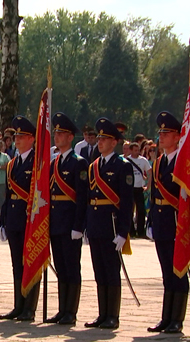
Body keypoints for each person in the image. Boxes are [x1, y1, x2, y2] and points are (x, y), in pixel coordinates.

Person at [83, 118, 133, 330]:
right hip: (96, 225)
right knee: (99, 271)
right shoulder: (94, 166)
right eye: (99, 137)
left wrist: (123, 231)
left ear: (115, 142)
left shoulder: (123, 166)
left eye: (105, 138)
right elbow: (88, 197)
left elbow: (127, 201)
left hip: (112, 226)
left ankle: (113, 315)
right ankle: (102, 313)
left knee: (112, 272)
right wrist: (86, 225)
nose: (100, 141)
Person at [146, 111, 190, 334]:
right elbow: (154, 195)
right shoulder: (159, 163)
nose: (161, 137)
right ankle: (166, 317)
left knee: (178, 272)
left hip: (177, 224)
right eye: (160, 132)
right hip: (162, 223)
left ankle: (177, 319)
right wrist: (151, 221)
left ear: (178, 136)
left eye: (166, 133)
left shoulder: (184, 163)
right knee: (166, 273)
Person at [44, 112, 88, 325]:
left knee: (72, 268)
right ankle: (62, 309)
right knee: (61, 268)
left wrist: (79, 225)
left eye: (61, 133)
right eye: (56, 132)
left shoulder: (78, 163)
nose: (57, 136)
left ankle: (71, 310)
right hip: (56, 222)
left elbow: (81, 197)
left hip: (70, 222)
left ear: (71, 137)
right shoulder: (54, 163)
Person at [0, 115, 40, 322]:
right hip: (15, 219)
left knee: (30, 262)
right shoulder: (13, 163)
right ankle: (18, 305)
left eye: (22, 136)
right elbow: (8, 195)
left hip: (30, 220)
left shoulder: (37, 162)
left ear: (32, 138)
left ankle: (29, 307)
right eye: (16, 136)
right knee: (17, 264)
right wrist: (3, 221)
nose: (17, 140)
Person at [125, 141, 151, 238]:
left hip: (139, 188)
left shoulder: (143, 160)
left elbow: (150, 172)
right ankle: (131, 230)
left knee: (141, 210)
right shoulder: (126, 160)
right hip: (130, 188)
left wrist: (148, 185)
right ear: (130, 150)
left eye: (138, 150)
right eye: (135, 150)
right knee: (129, 210)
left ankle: (140, 231)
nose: (137, 152)